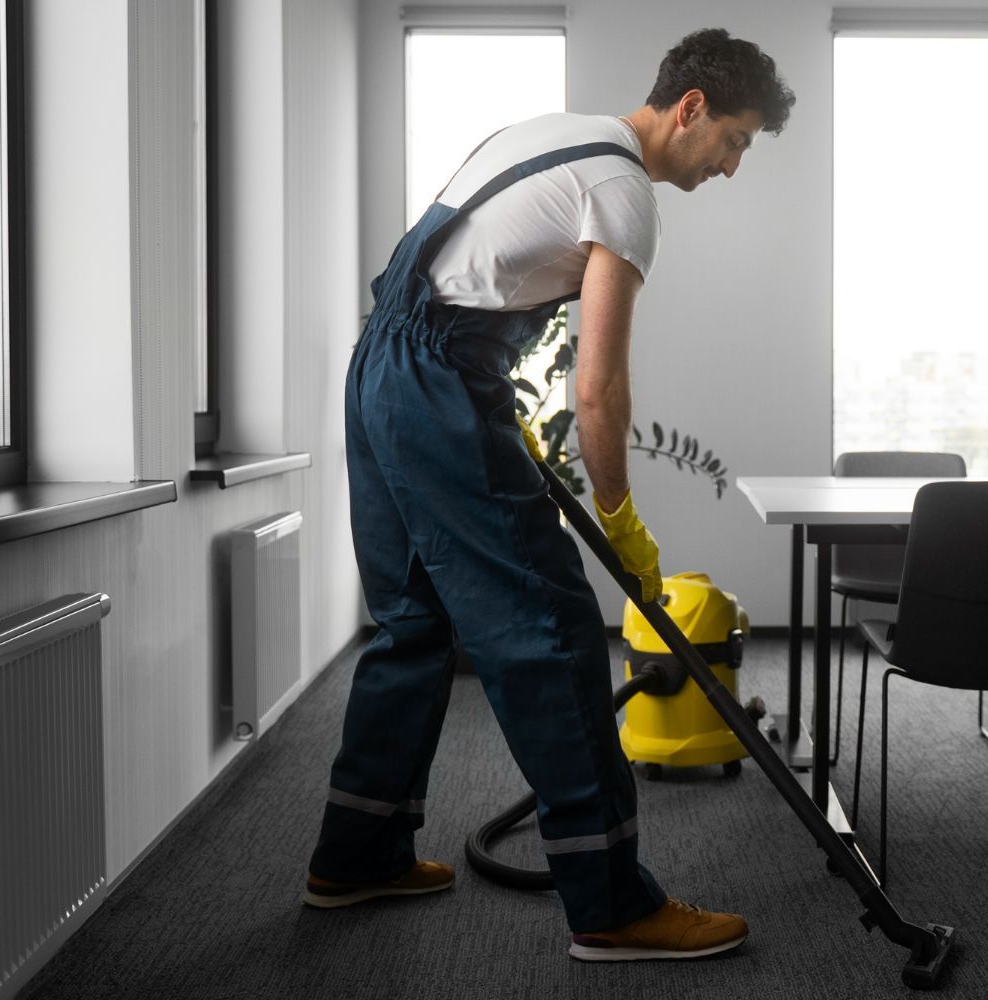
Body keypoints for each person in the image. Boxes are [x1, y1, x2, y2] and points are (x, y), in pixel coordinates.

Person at [303, 28, 795, 963]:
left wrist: (467, 399)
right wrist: (624, 524)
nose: (731, 167)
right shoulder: (623, 192)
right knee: (554, 632)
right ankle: (611, 905)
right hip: (438, 385)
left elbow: (460, 280)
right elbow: (599, 391)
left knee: (413, 619)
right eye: (733, 141)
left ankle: (355, 852)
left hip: (386, 370)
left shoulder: (550, 133)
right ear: (690, 108)